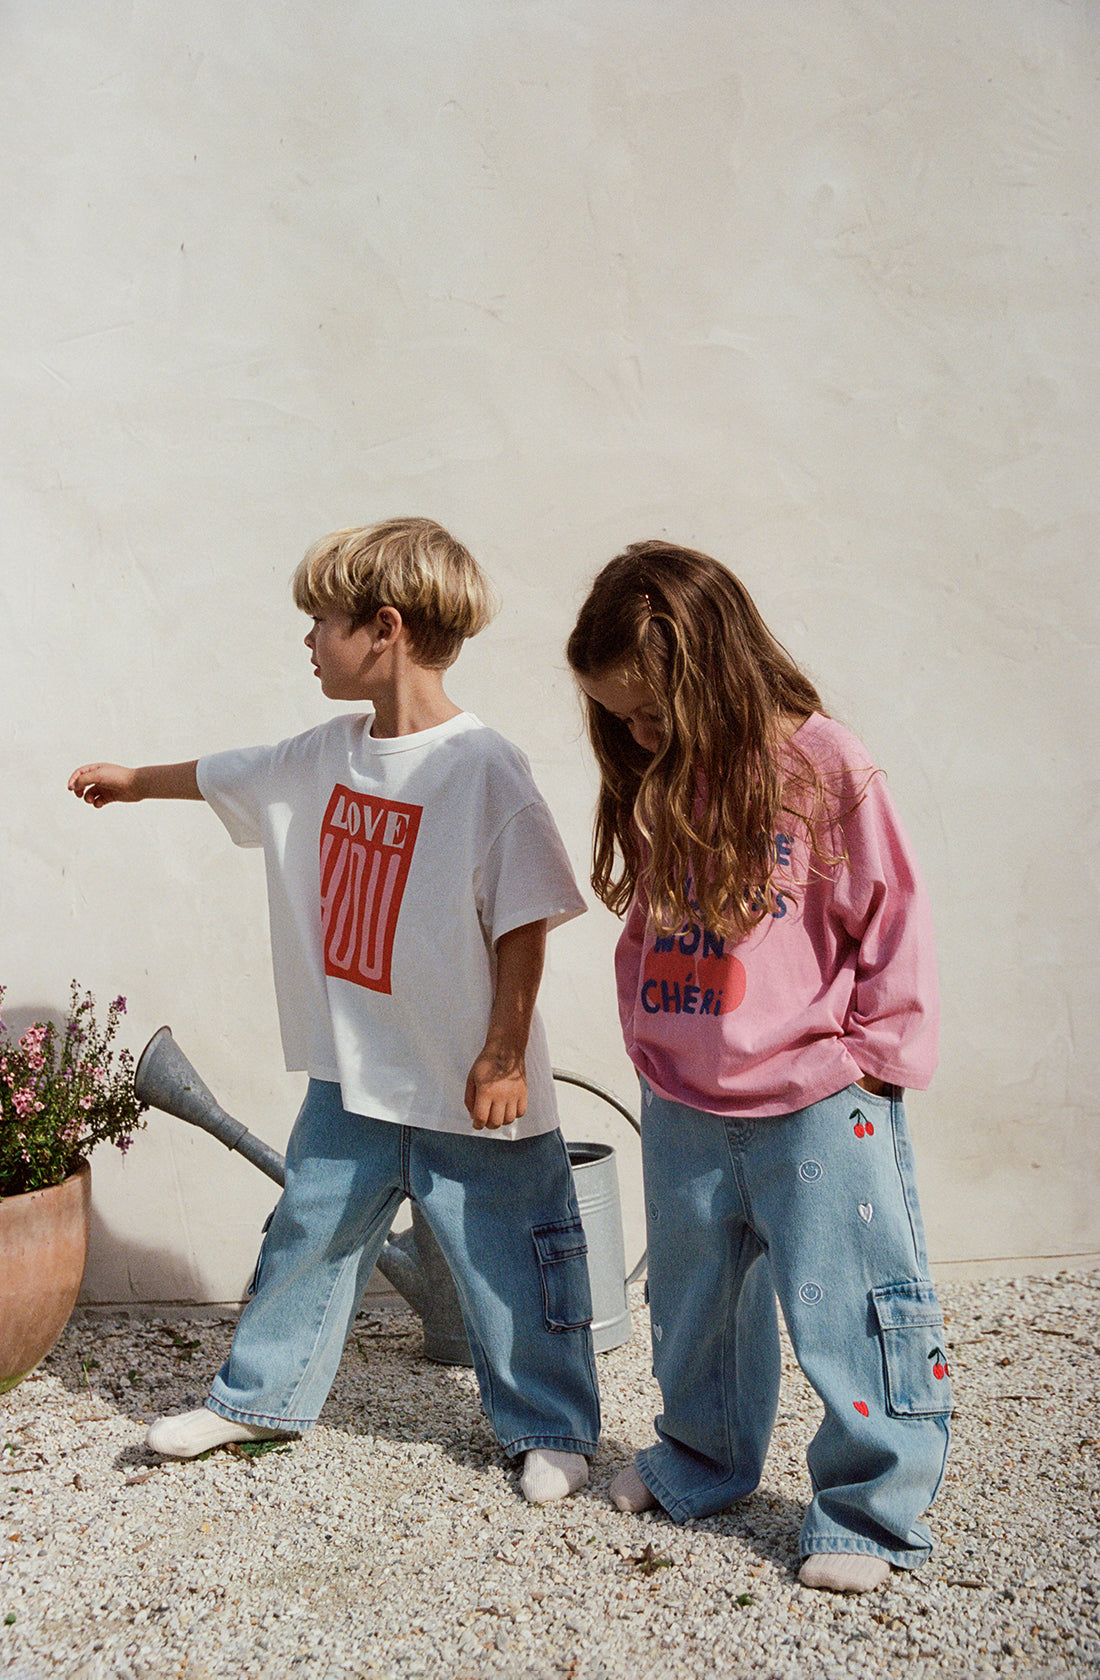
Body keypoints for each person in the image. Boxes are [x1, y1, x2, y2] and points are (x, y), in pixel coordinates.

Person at [69, 516, 599, 1505]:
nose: (307, 641)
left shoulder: (483, 769)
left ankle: (552, 1428)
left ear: (384, 627)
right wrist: (134, 784)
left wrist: (501, 1054)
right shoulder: (324, 753)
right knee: (307, 1235)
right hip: (353, 1076)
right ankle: (257, 1399)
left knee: (518, 1254)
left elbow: (525, 921)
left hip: (469, 1081)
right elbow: (230, 771)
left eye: (320, 621)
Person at [565, 540, 949, 1592]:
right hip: (684, 1093)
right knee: (693, 1304)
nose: (636, 735)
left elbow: (892, 912)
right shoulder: (659, 778)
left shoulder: (821, 764)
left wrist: (877, 1058)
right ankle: (699, 1457)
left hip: (820, 1098)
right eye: (619, 718)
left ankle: (868, 1511)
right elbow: (648, 919)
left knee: (848, 1308)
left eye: (652, 713)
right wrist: (645, 1037)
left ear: (714, 674)